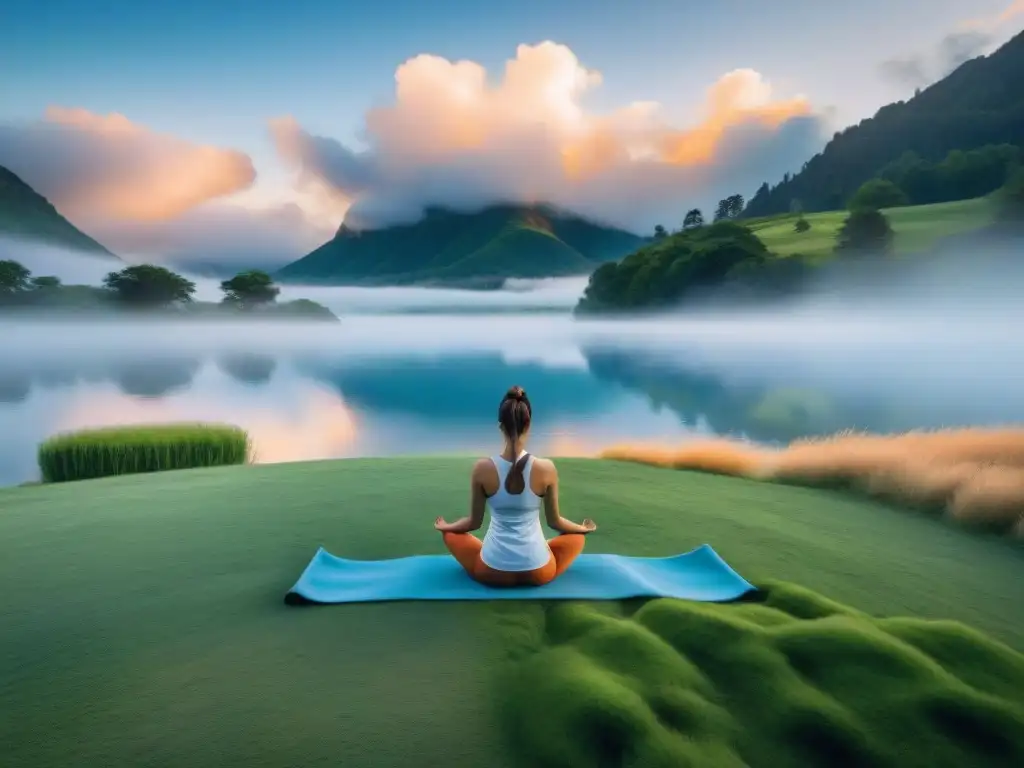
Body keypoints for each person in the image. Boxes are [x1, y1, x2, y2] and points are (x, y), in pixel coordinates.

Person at [434, 385, 597, 586]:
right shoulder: (546, 468)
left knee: (451, 535)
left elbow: (473, 523)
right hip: (539, 571)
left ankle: (502, 551)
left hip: (491, 571)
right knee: (577, 538)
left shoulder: (482, 468)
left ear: (500, 426)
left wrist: (446, 527)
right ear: (528, 425)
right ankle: (539, 549)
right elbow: (555, 522)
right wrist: (582, 528)